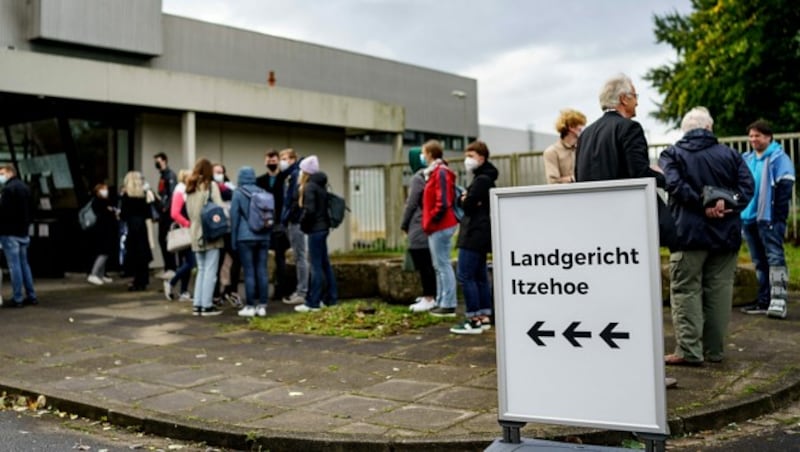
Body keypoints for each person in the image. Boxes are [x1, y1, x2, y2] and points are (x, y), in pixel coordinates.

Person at [658, 107, 754, 365]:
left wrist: (703, 203)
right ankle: (715, 351)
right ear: (710, 128)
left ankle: (689, 351)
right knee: (720, 291)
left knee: (686, 290)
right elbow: (747, 188)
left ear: (684, 130)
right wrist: (725, 203)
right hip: (726, 235)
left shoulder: (671, 155)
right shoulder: (731, 155)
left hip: (688, 235)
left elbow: (674, 185)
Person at [739, 119, 796, 319]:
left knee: (775, 258)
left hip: (769, 218)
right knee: (759, 262)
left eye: (758, 135)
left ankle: (779, 300)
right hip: (749, 217)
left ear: (768, 137)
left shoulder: (779, 157)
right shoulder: (747, 158)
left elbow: (786, 185)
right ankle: (764, 300)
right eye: (751, 135)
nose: (754, 139)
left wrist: (778, 217)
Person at [575, 73, 665, 186]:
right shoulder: (630, 128)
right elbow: (641, 175)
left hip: (590, 202)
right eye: (635, 96)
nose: (637, 103)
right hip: (625, 201)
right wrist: (662, 176)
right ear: (623, 99)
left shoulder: (585, 134)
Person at [450, 141, 498, 334]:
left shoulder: (481, 180)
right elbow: (468, 201)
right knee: (479, 276)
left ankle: (473, 318)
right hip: (482, 233)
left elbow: (467, 205)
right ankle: (484, 316)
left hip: (473, 233)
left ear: (481, 157)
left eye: (471, 155)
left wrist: (465, 199)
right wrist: (466, 199)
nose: (467, 160)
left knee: (465, 274)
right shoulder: (486, 178)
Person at [420, 140, 459, 317]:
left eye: (424, 152)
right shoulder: (434, 172)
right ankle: (442, 300)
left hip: (440, 225)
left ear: (430, 153)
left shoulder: (440, 172)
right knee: (439, 265)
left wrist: (432, 219)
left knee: (443, 264)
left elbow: (442, 201)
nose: (423, 156)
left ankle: (448, 303)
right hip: (436, 225)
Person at [294, 155, 337, 312]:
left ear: (305, 172)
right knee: (324, 264)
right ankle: (331, 299)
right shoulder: (321, 185)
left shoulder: (309, 187)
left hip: (315, 229)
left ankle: (313, 302)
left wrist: (303, 224)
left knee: (316, 266)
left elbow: (309, 210)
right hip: (323, 227)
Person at [185, 158, 225, 316]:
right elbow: (219, 207)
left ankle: (198, 304)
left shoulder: (190, 187)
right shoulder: (211, 186)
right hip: (210, 231)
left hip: (194, 230)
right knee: (210, 270)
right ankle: (207, 306)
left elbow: (188, 212)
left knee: (201, 269)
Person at [232, 166, 272, 317]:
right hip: (263, 236)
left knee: (249, 272)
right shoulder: (262, 192)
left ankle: (250, 306)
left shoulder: (238, 193)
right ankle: (262, 306)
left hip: (245, 237)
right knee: (262, 270)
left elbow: (235, 218)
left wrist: (233, 239)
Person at [401, 147, 437, 312]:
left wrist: (404, 224)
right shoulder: (430, 175)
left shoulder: (418, 177)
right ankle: (431, 295)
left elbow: (411, 203)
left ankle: (429, 297)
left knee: (423, 263)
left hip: (418, 225)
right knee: (430, 263)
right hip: (430, 225)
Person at [0, 163, 37, 308]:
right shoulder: (25, 187)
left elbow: (3, 212)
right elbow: (32, 209)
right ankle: (31, 295)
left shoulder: (8, 190)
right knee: (24, 264)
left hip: (9, 232)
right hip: (23, 232)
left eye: (2, 173)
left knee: (14, 266)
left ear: (10, 172)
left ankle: (18, 297)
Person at [256, 149, 291, 301]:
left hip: (279, 224)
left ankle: (281, 290)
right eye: (269, 160)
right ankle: (260, 291)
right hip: (263, 224)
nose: (271, 162)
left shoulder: (285, 179)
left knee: (280, 259)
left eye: (274, 160)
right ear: (265, 162)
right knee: (261, 259)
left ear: (278, 162)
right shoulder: (260, 181)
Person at [279, 148, 309, 306]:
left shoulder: (296, 174)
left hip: (295, 220)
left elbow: (294, 200)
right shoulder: (289, 175)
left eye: (285, 158)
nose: (282, 162)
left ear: (292, 159)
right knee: (299, 256)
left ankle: (302, 291)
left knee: (300, 257)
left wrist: (288, 217)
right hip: (292, 220)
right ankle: (301, 290)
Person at [212, 163, 242, 307]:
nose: (218, 174)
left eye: (221, 172)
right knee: (217, 264)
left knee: (237, 259)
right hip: (217, 231)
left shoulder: (231, 187)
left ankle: (231, 290)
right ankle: (216, 294)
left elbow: (234, 198)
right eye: (216, 172)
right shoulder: (209, 187)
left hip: (229, 231)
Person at [163, 169, 195, 302]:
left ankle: (183, 292)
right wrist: (188, 224)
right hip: (187, 231)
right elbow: (174, 213)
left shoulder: (185, 191)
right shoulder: (180, 191)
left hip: (189, 231)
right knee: (192, 262)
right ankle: (171, 282)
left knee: (188, 262)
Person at [119, 171, 153, 292]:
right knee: (143, 253)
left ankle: (136, 280)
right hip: (142, 226)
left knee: (134, 253)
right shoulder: (143, 195)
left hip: (132, 226)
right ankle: (143, 280)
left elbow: (123, 214)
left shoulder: (126, 196)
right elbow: (148, 213)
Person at [86, 183, 119, 286]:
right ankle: (94, 274)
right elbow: (105, 214)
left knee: (106, 252)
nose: (106, 191)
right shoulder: (98, 202)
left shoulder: (106, 201)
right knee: (103, 252)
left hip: (107, 230)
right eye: (103, 190)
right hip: (102, 230)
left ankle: (101, 274)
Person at [543, 109, 587, 184]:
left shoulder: (583, 148)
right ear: (571, 127)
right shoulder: (552, 152)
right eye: (580, 124)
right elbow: (553, 181)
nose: (583, 128)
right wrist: (574, 179)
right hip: (565, 194)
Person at [154, 152, 178, 279]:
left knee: (166, 239)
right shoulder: (163, 176)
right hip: (162, 212)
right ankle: (167, 267)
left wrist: (165, 208)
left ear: (164, 160)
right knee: (162, 239)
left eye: (158, 161)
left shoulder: (170, 175)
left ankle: (172, 267)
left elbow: (172, 194)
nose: (156, 163)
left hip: (167, 214)